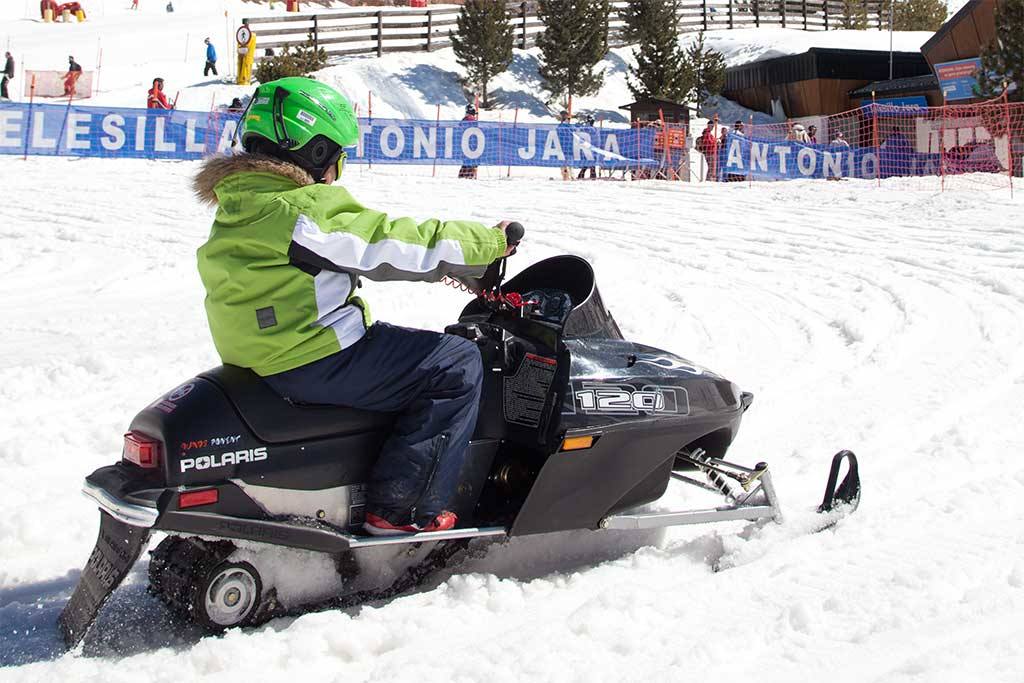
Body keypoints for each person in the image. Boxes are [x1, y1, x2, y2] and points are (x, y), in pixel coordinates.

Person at [193, 77, 513, 536]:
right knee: (456, 363)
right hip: (309, 353)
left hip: (258, 352)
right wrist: (487, 245)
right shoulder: (298, 211)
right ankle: (404, 509)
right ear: (315, 151)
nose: (335, 173)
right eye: (337, 159)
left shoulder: (241, 203)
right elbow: (388, 243)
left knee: (403, 349)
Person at [457, 103, 478, 180]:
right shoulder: (470, 120)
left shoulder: (464, 120)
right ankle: (468, 176)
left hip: (467, 145)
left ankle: (464, 176)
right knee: (470, 163)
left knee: (467, 162)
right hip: (471, 146)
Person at [576, 113, 597, 180]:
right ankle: (589, 175)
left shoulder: (589, 128)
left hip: (589, 147)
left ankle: (585, 175)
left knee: (590, 162)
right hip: (588, 147)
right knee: (589, 162)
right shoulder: (590, 128)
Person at [558, 110, 572, 181]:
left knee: (567, 162)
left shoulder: (566, 125)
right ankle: (566, 176)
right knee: (564, 162)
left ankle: (568, 176)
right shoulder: (562, 125)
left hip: (567, 146)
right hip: (563, 145)